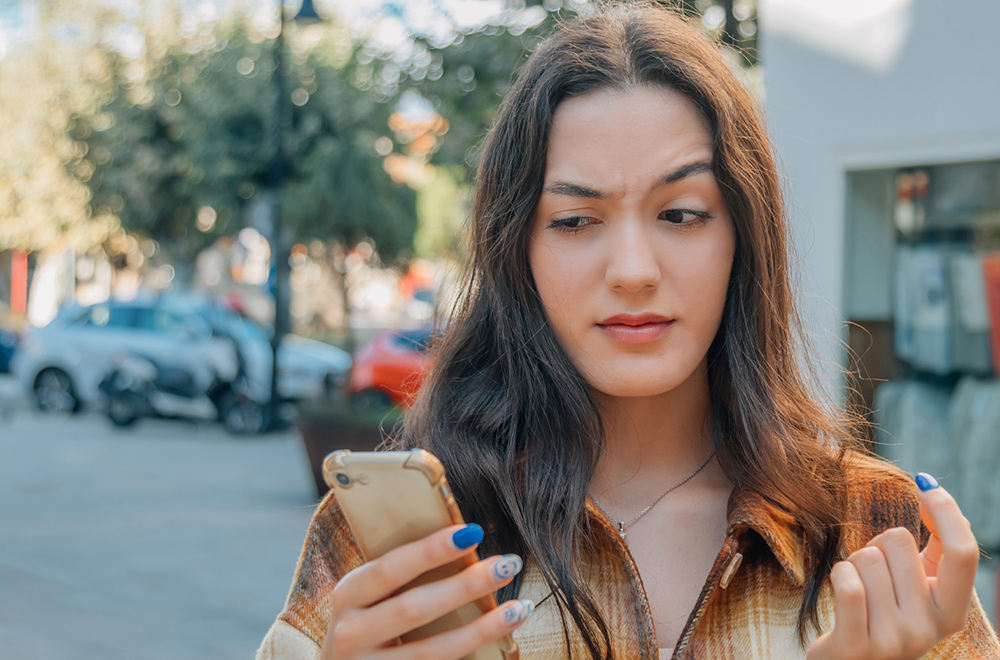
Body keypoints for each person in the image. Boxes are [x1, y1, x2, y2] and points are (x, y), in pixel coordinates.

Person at [257, 4, 1000, 659]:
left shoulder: (880, 534)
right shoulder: (394, 546)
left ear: (744, 234)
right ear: (521, 250)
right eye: (576, 221)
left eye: (681, 214)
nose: (634, 270)